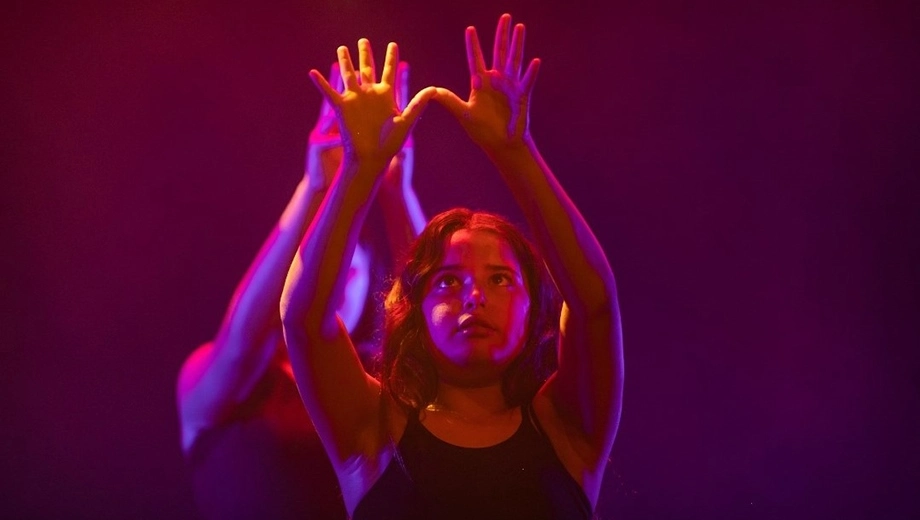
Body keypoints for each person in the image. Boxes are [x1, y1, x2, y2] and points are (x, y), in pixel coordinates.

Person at [280, 13, 623, 519]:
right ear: (413, 309)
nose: (475, 295)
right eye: (448, 280)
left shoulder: (566, 427)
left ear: (536, 309)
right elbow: (304, 319)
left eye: (500, 278)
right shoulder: (374, 431)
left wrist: (515, 151)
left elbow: (594, 302)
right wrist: (361, 167)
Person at [176, 61, 425, 519]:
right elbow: (240, 340)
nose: (332, 283)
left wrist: (393, 189)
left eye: (348, 273)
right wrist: (314, 185)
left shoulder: (375, 371)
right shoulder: (234, 377)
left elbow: (432, 329)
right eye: (321, 271)